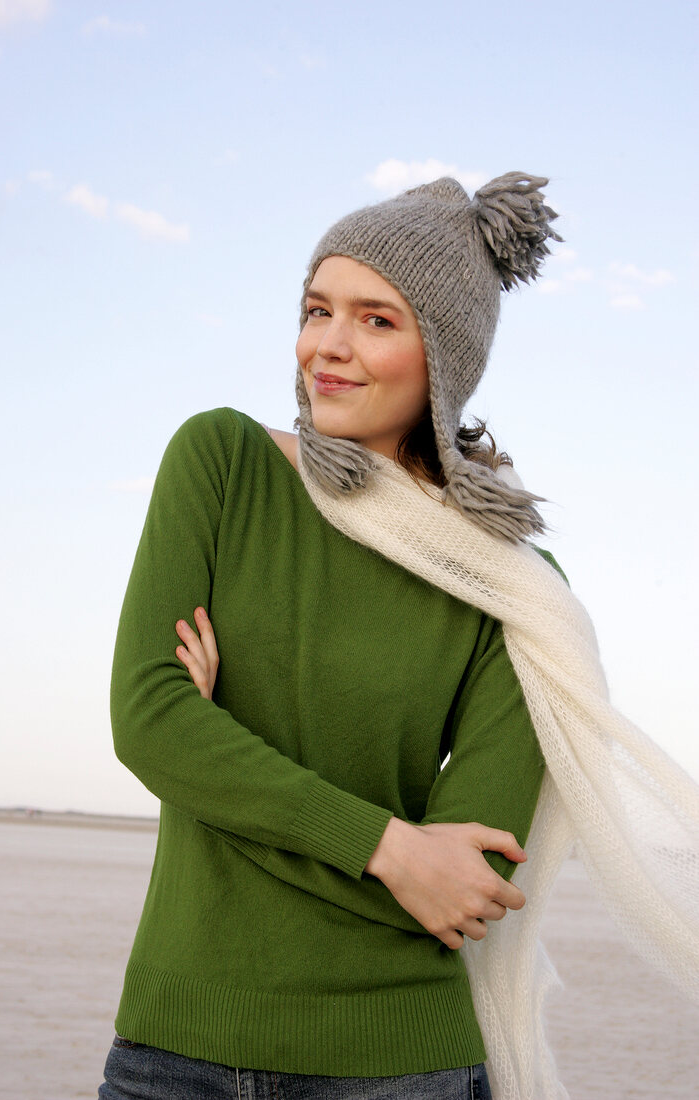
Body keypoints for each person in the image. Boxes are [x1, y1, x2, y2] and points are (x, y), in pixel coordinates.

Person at [99, 175, 699, 1100]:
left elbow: (466, 885)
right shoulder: (222, 463)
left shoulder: (515, 592)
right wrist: (392, 848)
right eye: (316, 309)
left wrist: (218, 764)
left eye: (377, 320)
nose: (327, 348)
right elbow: (148, 724)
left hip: (399, 1069)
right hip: (172, 1054)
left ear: (444, 358)